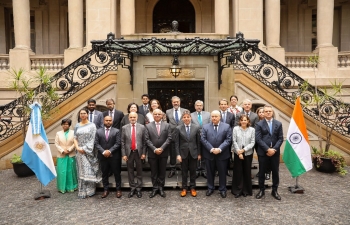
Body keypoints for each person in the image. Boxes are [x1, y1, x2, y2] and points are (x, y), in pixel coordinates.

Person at [201, 110, 232, 198]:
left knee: (222, 173)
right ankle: (210, 188)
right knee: (210, 172)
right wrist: (211, 149)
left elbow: (228, 140)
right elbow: (203, 139)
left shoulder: (226, 126)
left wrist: (219, 149)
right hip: (209, 154)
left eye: (216, 116)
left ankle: (222, 189)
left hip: (222, 154)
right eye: (212, 116)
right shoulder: (205, 126)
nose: (214, 118)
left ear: (220, 117)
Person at [255, 105, 283, 200]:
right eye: (266, 111)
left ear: (272, 112)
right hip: (263, 152)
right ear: (263, 112)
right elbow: (258, 139)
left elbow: (280, 138)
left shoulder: (278, 124)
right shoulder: (259, 124)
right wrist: (267, 149)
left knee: (275, 172)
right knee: (262, 171)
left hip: (275, 152)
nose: (267, 113)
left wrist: (274, 149)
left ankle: (274, 190)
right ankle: (261, 190)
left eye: (269, 111)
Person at [74, 108, 101, 199]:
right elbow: (75, 138)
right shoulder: (77, 125)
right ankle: (82, 190)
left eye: (84, 113)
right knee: (81, 170)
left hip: (88, 151)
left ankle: (90, 190)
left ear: (87, 114)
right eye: (81, 113)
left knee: (89, 169)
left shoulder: (92, 125)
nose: (82, 115)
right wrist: (78, 148)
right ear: (79, 115)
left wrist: (85, 149)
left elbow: (93, 139)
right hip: (79, 152)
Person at [145, 109, 172, 198]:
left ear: (162, 115)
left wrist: (161, 148)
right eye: (155, 114)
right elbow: (147, 139)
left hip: (163, 153)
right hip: (152, 153)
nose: (157, 115)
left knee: (162, 171)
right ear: (153, 115)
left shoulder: (167, 125)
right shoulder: (148, 126)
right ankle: (155, 188)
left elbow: (169, 138)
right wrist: (154, 149)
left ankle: (161, 187)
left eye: (158, 114)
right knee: (154, 171)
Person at [94, 116, 122, 198]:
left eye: (110, 120)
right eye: (107, 120)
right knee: (104, 173)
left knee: (117, 173)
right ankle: (106, 189)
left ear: (112, 121)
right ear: (103, 121)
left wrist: (109, 151)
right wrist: (103, 151)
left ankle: (118, 189)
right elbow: (96, 143)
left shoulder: (117, 131)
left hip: (114, 156)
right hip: (103, 156)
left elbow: (118, 143)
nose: (108, 122)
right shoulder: (98, 131)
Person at [175, 110, 201, 197]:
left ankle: (193, 188)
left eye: (188, 117)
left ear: (191, 117)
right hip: (183, 153)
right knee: (184, 172)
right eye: (184, 117)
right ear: (182, 119)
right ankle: (184, 188)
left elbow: (198, 142)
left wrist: (199, 153)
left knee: (193, 171)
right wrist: (178, 154)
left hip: (193, 152)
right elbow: (176, 143)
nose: (186, 119)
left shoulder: (196, 127)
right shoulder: (178, 128)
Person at [121, 112, 146, 198]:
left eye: (134, 117)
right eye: (131, 117)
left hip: (139, 152)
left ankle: (138, 189)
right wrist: (123, 154)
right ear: (128, 118)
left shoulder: (142, 127)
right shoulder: (124, 128)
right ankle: (132, 188)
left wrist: (143, 153)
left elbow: (144, 142)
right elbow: (122, 142)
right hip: (129, 153)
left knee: (139, 171)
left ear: (137, 117)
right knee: (130, 171)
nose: (132, 118)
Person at [231, 115, 255, 198]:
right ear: (240, 121)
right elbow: (234, 141)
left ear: (248, 121)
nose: (244, 121)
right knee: (238, 172)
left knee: (247, 171)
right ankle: (237, 190)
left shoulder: (252, 130)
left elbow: (252, 142)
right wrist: (239, 152)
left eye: (245, 120)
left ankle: (246, 190)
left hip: (248, 153)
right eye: (242, 120)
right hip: (238, 153)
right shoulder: (235, 129)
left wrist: (244, 150)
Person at [166, 96, 188, 178]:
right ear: (172, 103)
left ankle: (184, 169)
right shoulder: (168, 112)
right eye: (174, 102)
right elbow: (166, 123)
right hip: (172, 135)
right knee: (172, 153)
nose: (176, 103)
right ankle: (172, 169)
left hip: (183, 135)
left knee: (183, 153)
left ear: (180, 102)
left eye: (177, 102)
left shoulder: (185, 111)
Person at [55, 118, 78, 193]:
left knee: (71, 171)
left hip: (71, 154)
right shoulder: (58, 133)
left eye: (67, 124)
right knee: (61, 172)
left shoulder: (73, 132)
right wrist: (62, 151)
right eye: (64, 124)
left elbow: (75, 143)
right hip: (61, 155)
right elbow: (56, 144)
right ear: (62, 125)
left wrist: (69, 150)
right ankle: (62, 187)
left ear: (69, 125)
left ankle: (72, 187)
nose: (65, 125)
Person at [191, 100, 210, 179]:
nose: (199, 107)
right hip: (194, 137)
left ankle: (204, 170)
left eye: (200, 105)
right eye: (197, 105)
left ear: (202, 106)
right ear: (195, 106)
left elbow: (210, 125)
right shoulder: (191, 115)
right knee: (196, 153)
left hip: (206, 137)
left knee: (204, 153)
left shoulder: (208, 114)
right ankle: (197, 170)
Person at [218, 98, 235, 177]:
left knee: (228, 154)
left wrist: (229, 135)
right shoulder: (216, 114)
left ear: (227, 106)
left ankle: (226, 169)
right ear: (219, 106)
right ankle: (218, 170)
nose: (223, 106)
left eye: (225, 104)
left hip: (228, 138)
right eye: (222, 104)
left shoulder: (231, 115)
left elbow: (233, 126)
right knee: (218, 154)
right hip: (218, 138)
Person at [255, 107, 271, 180]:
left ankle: (268, 172)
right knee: (260, 158)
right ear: (257, 113)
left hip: (267, 143)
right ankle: (261, 171)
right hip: (258, 143)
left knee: (268, 159)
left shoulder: (269, 121)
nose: (261, 113)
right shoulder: (256, 122)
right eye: (259, 112)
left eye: (262, 112)